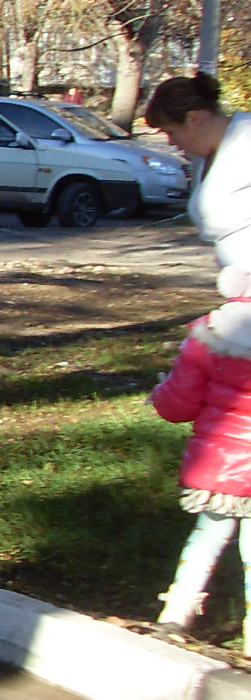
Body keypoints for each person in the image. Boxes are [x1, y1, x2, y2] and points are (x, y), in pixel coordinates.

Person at [150, 265, 251, 647]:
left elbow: (179, 402)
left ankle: (176, 614)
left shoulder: (211, 332)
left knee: (208, 534)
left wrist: (159, 395)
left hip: (218, 463)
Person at [147, 74, 251, 268]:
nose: (171, 142)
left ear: (195, 118)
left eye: (171, 131)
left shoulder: (246, 139)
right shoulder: (205, 159)